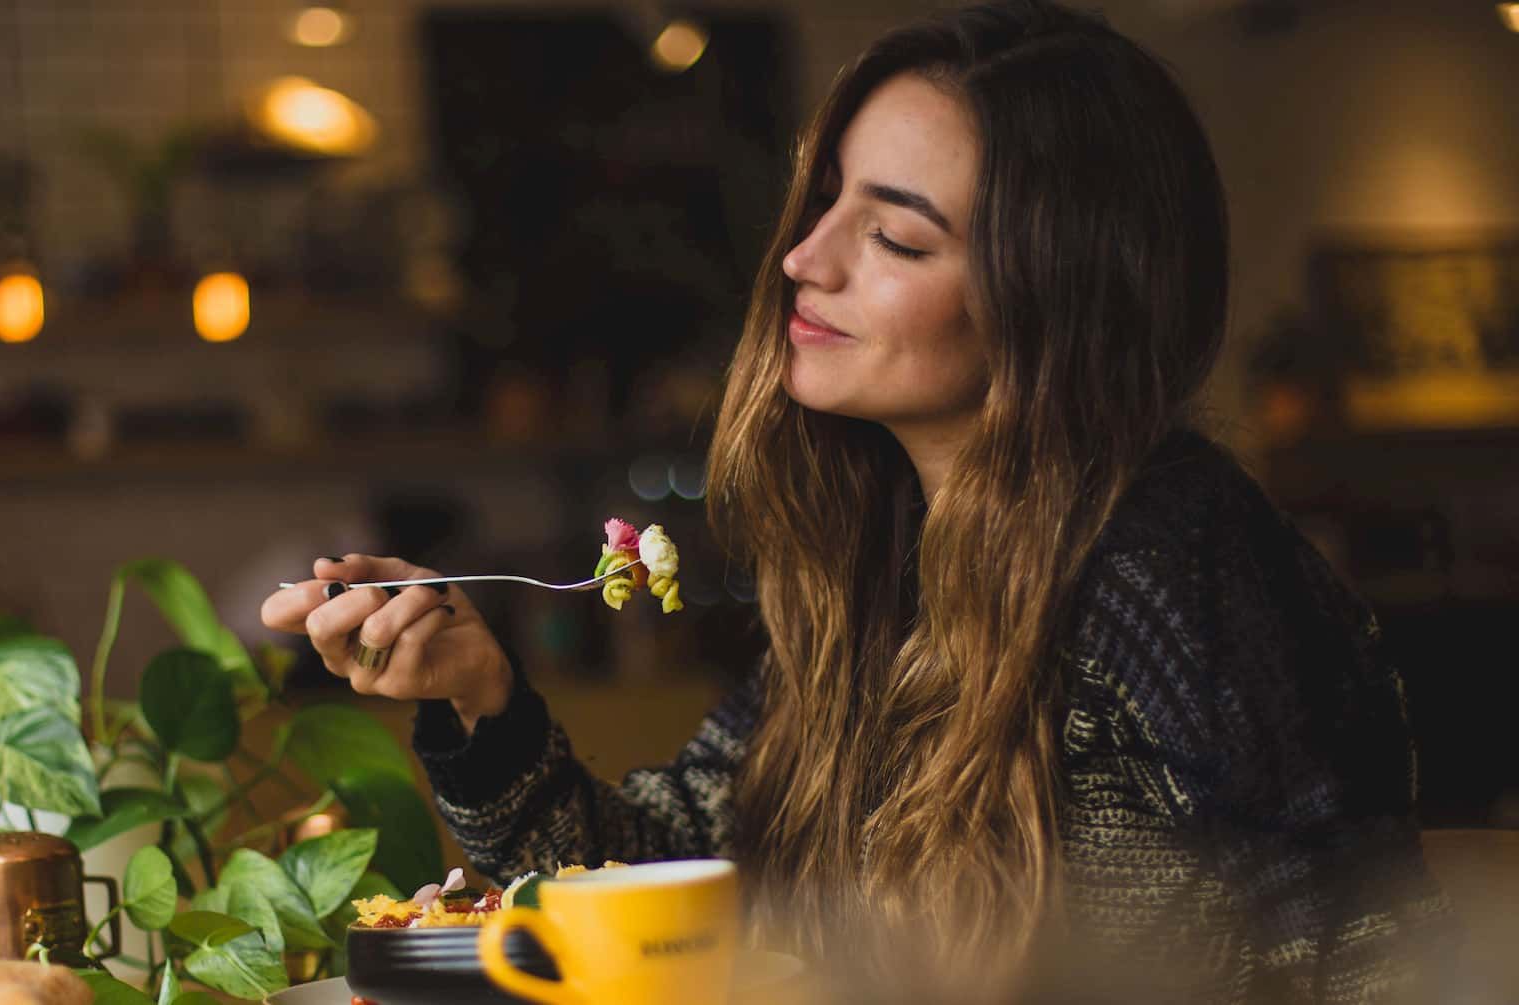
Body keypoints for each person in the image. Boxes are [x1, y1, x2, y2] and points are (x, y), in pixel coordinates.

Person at [260, 1, 1450, 1000]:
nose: (803, 258)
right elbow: (666, 880)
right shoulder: (887, 565)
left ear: (1055, 301)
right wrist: (482, 696)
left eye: (893, 235)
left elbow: (1354, 955)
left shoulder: (1164, 560)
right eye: (824, 199)